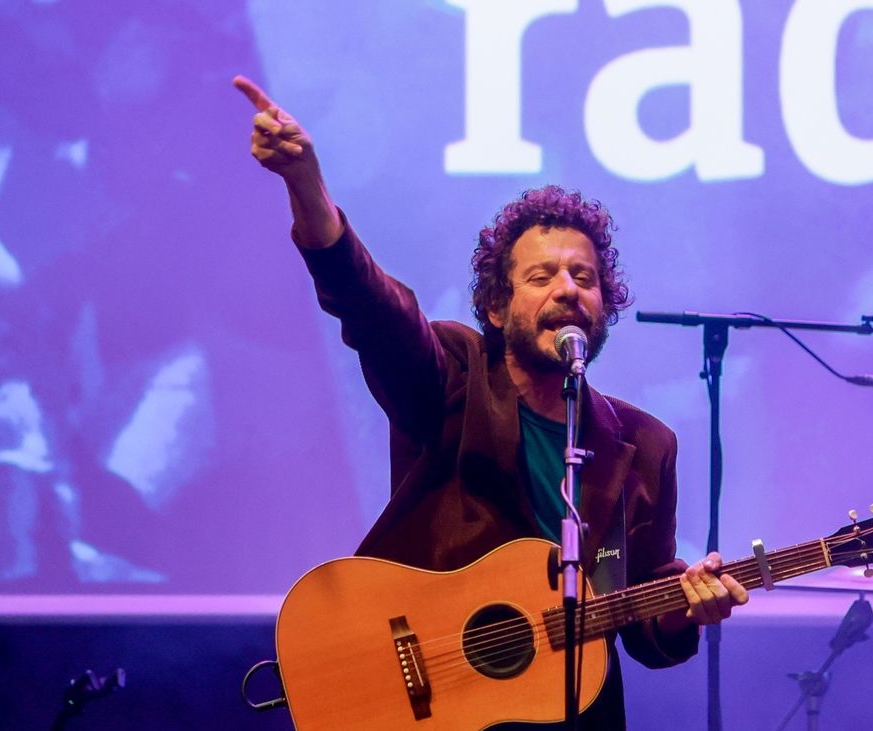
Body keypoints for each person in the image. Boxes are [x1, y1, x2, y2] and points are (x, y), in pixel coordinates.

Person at [234, 75, 747, 728]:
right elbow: (371, 308)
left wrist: (685, 606)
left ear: (604, 307)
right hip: (431, 703)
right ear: (497, 307)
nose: (568, 289)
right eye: (542, 276)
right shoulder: (454, 375)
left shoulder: (645, 446)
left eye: (584, 278)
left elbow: (645, 624)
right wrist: (307, 187)